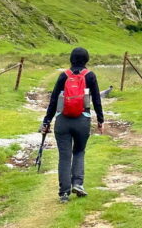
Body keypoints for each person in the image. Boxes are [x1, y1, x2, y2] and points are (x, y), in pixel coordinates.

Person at [41, 47, 104, 203]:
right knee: (79, 151)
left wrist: (47, 121)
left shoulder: (64, 75)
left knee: (64, 156)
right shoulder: (90, 76)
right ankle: (78, 184)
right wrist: (100, 120)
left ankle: (64, 193)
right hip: (82, 120)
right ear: (87, 59)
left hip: (62, 121)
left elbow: (54, 100)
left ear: (71, 59)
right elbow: (96, 100)